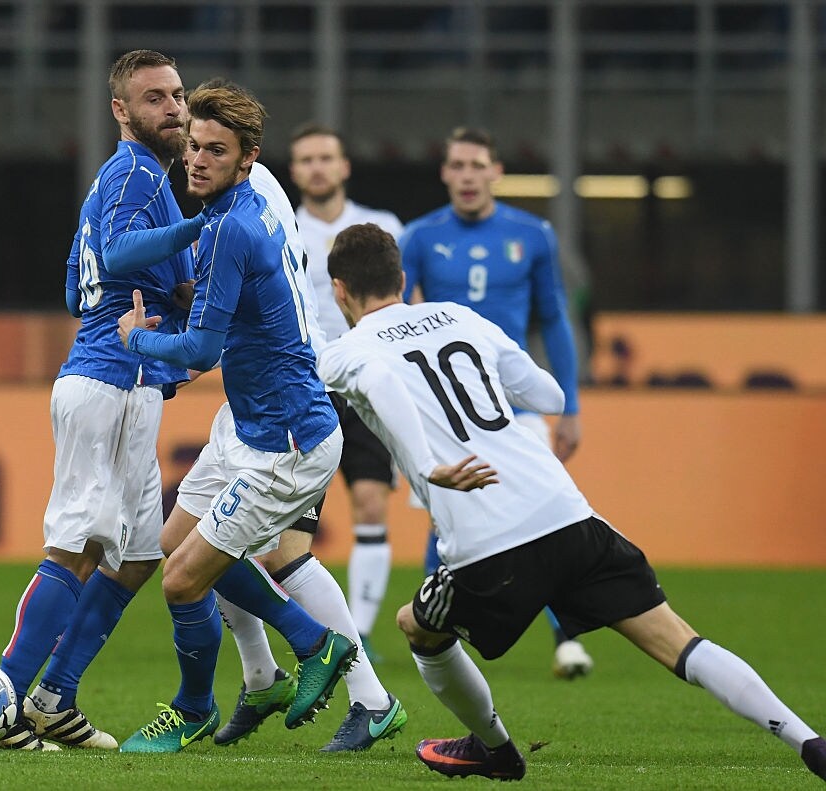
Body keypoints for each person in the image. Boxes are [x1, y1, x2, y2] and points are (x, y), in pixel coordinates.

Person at [317, 222, 826, 783]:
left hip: (490, 542)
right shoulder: (459, 317)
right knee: (680, 642)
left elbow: (382, 383)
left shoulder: (346, 351)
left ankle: (496, 750)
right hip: (565, 512)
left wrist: (424, 463)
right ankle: (809, 741)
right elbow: (549, 395)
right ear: (402, 278)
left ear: (339, 290)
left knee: (417, 627)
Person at [114, 79, 360, 754]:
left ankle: (208, 699)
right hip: (253, 425)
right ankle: (289, 658)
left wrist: (136, 340)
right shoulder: (242, 210)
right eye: (194, 146)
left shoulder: (231, 227)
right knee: (174, 542)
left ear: (248, 157)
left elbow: (201, 350)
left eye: (216, 151)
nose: (197, 161)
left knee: (181, 580)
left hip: (287, 439)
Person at [0, 49, 208, 751]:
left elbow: (75, 286)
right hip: (109, 380)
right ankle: (1, 700)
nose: (173, 108)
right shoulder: (136, 175)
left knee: (138, 554)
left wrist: (178, 293)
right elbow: (115, 255)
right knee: (79, 544)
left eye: (177, 95)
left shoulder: (130, 182)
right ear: (120, 110)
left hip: (132, 386)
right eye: (154, 98)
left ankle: (53, 697)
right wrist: (202, 229)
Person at [210, 160, 407, 753]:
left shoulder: (245, 200)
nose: (193, 155)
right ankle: (264, 678)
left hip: (295, 398)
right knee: (212, 542)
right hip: (262, 397)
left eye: (204, 144)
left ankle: (367, 697)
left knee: (266, 551)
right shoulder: (243, 201)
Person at [400, 126, 592, 680]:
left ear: (496, 172)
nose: (467, 176)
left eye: (477, 165)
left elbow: (554, 319)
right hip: (447, 405)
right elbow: (394, 314)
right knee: (445, 520)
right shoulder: (419, 236)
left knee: (544, 516)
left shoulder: (533, 235)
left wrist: (569, 406)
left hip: (515, 405)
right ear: (445, 173)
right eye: (457, 165)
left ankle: (566, 639)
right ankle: (433, 632)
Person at [289, 123, 406, 662]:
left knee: (370, 501)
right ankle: (301, 625)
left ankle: (359, 631)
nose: (317, 167)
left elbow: (406, 299)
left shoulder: (384, 227)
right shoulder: (283, 226)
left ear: (344, 166)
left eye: (325, 157)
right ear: (295, 171)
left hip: (365, 383)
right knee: (290, 515)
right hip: (307, 385)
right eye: (306, 159)